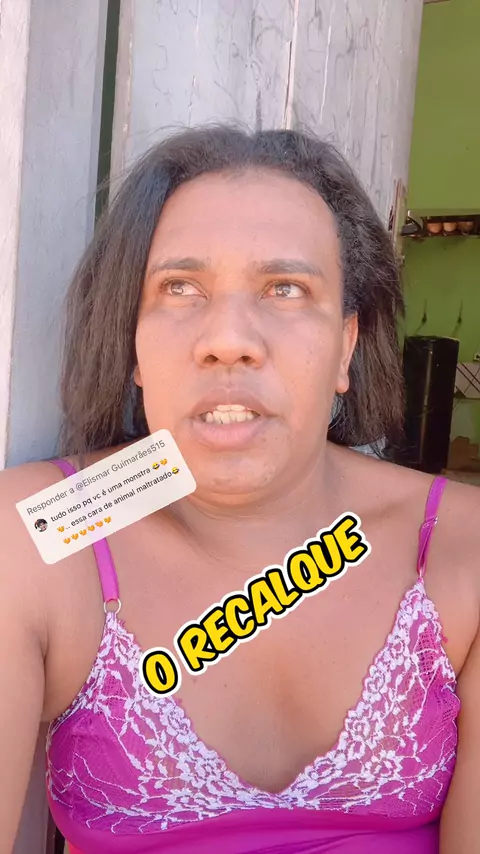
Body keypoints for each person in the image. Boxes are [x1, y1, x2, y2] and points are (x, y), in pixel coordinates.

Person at [1, 126, 478, 854]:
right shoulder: (36, 538)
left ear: (346, 347)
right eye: (180, 288)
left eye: (285, 289)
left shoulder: (458, 549)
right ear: (135, 347)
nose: (228, 339)